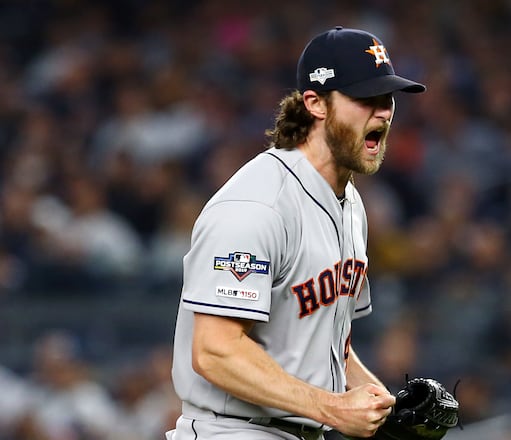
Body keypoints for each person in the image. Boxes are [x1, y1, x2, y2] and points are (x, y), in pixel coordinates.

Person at [167, 26, 426, 440]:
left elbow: (326, 343)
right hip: (233, 431)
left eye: (387, 98)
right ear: (315, 103)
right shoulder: (257, 206)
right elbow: (215, 351)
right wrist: (333, 407)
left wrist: (381, 406)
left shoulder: (350, 204)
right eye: (365, 99)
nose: (382, 112)